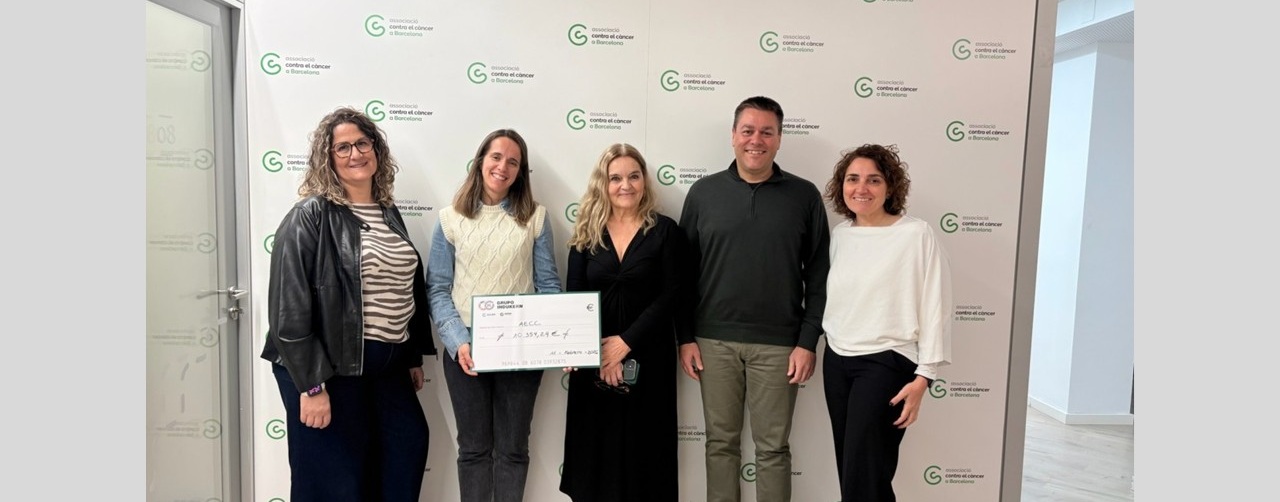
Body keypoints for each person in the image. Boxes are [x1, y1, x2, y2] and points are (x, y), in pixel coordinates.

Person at [261, 106, 435, 502]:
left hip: (385, 367)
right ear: (328, 158)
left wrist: (410, 356)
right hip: (330, 370)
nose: (355, 153)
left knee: (405, 449)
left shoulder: (388, 212)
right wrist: (312, 386)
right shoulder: (310, 215)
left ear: (376, 149)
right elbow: (288, 310)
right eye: (343, 147)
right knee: (336, 481)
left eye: (362, 143)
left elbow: (401, 288)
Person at [677, 96, 830, 502]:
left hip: (780, 345)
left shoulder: (804, 196)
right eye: (747, 130)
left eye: (766, 132)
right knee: (720, 444)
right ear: (733, 136)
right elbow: (683, 274)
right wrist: (685, 337)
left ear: (779, 139)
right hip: (713, 341)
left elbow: (818, 275)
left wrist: (807, 341)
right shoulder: (703, 193)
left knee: (773, 449)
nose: (756, 140)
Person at [427, 128, 562, 502]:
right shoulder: (450, 219)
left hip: (522, 348)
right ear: (480, 161)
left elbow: (548, 286)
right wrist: (459, 341)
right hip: (466, 349)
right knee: (473, 450)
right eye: (496, 157)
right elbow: (437, 289)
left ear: (520, 172)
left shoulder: (535, 218)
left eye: (513, 162)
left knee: (513, 450)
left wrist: (561, 341)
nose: (503, 167)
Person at [819, 144, 952, 501]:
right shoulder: (841, 234)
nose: (861, 188)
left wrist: (925, 376)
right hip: (837, 360)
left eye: (873, 180)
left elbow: (936, 305)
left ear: (890, 187)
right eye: (853, 179)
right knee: (855, 472)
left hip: (887, 362)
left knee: (865, 475)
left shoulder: (916, 234)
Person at [559, 144, 688, 502]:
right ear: (603, 183)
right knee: (595, 461)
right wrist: (600, 353)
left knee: (646, 460)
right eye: (615, 178)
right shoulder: (586, 233)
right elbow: (576, 296)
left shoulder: (665, 231)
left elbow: (672, 294)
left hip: (649, 358)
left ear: (644, 181)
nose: (625, 185)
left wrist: (624, 343)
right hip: (594, 362)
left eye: (633, 176)